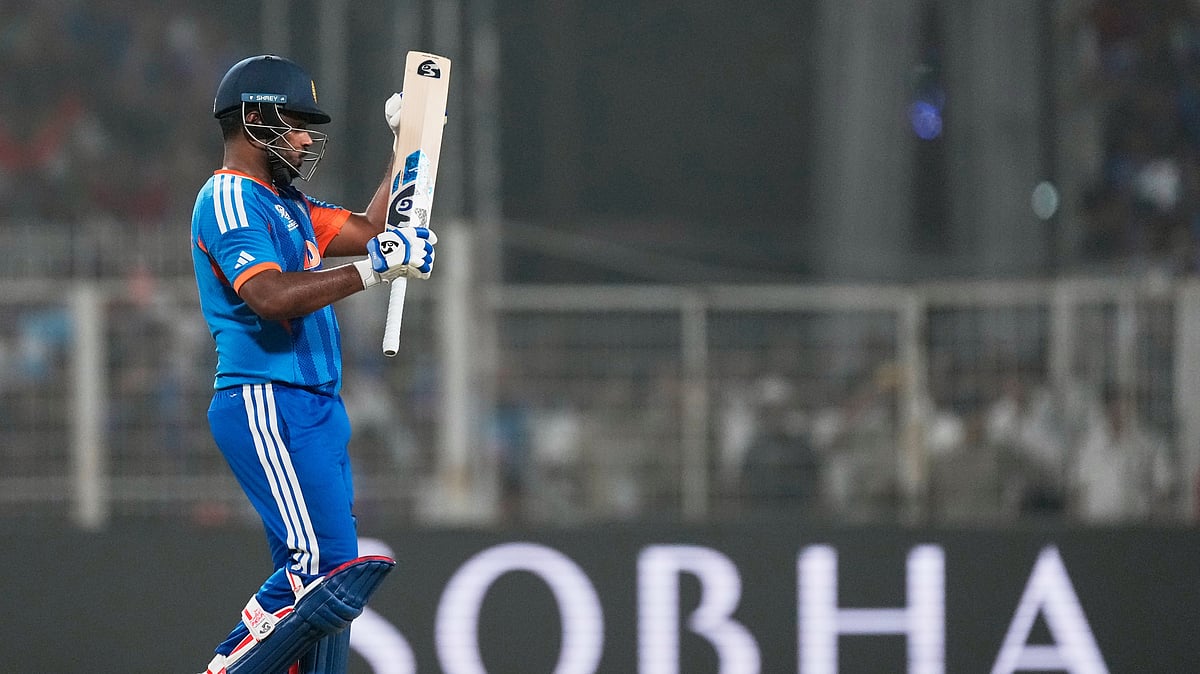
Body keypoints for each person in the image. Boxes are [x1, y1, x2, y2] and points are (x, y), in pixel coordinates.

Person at [191, 55, 435, 674]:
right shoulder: (227, 199)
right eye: (295, 122)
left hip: (317, 407)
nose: (305, 138)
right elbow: (269, 298)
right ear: (253, 119)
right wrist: (376, 267)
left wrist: (405, 145)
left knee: (332, 582)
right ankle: (229, 666)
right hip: (267, 400)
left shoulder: (291, 206)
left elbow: (377, 226)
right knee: (323, 570)